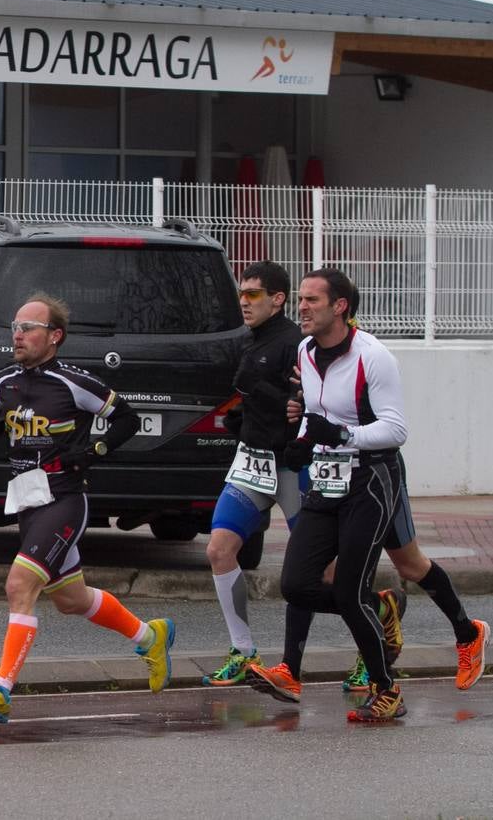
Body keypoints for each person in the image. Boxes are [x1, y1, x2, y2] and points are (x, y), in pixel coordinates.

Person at [0, 294, 174, 723]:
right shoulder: (5, 382)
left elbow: (127, 419)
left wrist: (93, 450)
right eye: (15, 326)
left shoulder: (74, 381)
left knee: (19, 585)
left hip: (64, 500)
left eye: (28, 327)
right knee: (72, 600)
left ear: (54, 336)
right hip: (27, 501)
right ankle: (151, 637)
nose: (17, 335)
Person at [246, 268, 418, 722]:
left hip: (371, 483)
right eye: (300, 300)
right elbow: (314, 414)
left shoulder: (374, 356)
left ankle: (387, 689)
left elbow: (396, 429)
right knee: (296, 585)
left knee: (346, 591)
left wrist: (341, 435)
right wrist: (302, 441)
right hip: (327, 481)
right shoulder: (304, 350)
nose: (301, 307)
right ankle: (380, 608)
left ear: (340, 306)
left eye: (312, 301)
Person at [201, 262, 304, 687]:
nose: (244, 301)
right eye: (242, 293)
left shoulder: (294, 343)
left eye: (254, 294)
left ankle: (373, 645)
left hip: (293, 467)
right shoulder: (253, 340)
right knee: (219, 550)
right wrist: (242, 420)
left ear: (278, 299)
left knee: (321, 569)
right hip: (252, 462)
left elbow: (307, 401)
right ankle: (243, 651)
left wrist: (268, 395)